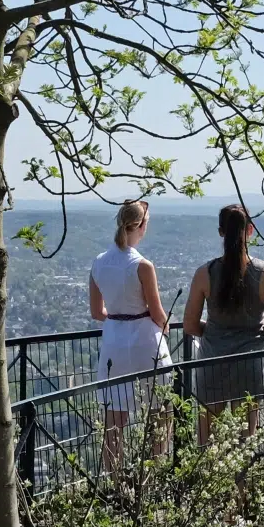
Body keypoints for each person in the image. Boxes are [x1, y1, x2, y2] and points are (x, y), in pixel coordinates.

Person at [182, 203, 264, 442]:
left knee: (207, 443)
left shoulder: (204, 273)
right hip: (249, 367)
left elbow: (189, 325)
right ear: (250, 230)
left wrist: (213, 331)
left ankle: (208, 480)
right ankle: (243, 481)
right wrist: (260, 325)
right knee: (245, 444)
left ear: (221, 232)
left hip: (212, 364)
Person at [89, 199, 170, 467]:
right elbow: (157, 312)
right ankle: (153, 477)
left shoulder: (98, 263)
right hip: (145, 342)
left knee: (114, 420)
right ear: (140, 226)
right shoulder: (143, 266)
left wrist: (117, 317)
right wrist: (165, 327)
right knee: (160, 411)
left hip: (114, 342)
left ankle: (114, 481)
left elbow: (96, 312)